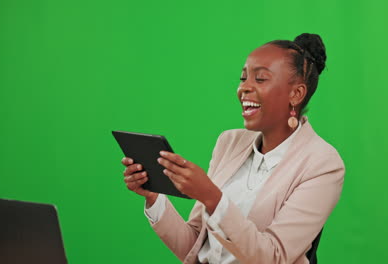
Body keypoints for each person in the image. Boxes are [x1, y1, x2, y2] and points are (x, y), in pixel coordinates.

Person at [120, 33, 345, 264]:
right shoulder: (229, 142)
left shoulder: (322, 163)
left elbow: (274, 257)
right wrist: (154, 197)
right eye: (243, 78)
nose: (244, 89)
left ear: (296, 94)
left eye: (260, 79)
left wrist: (212, 197)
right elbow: (195, 247)